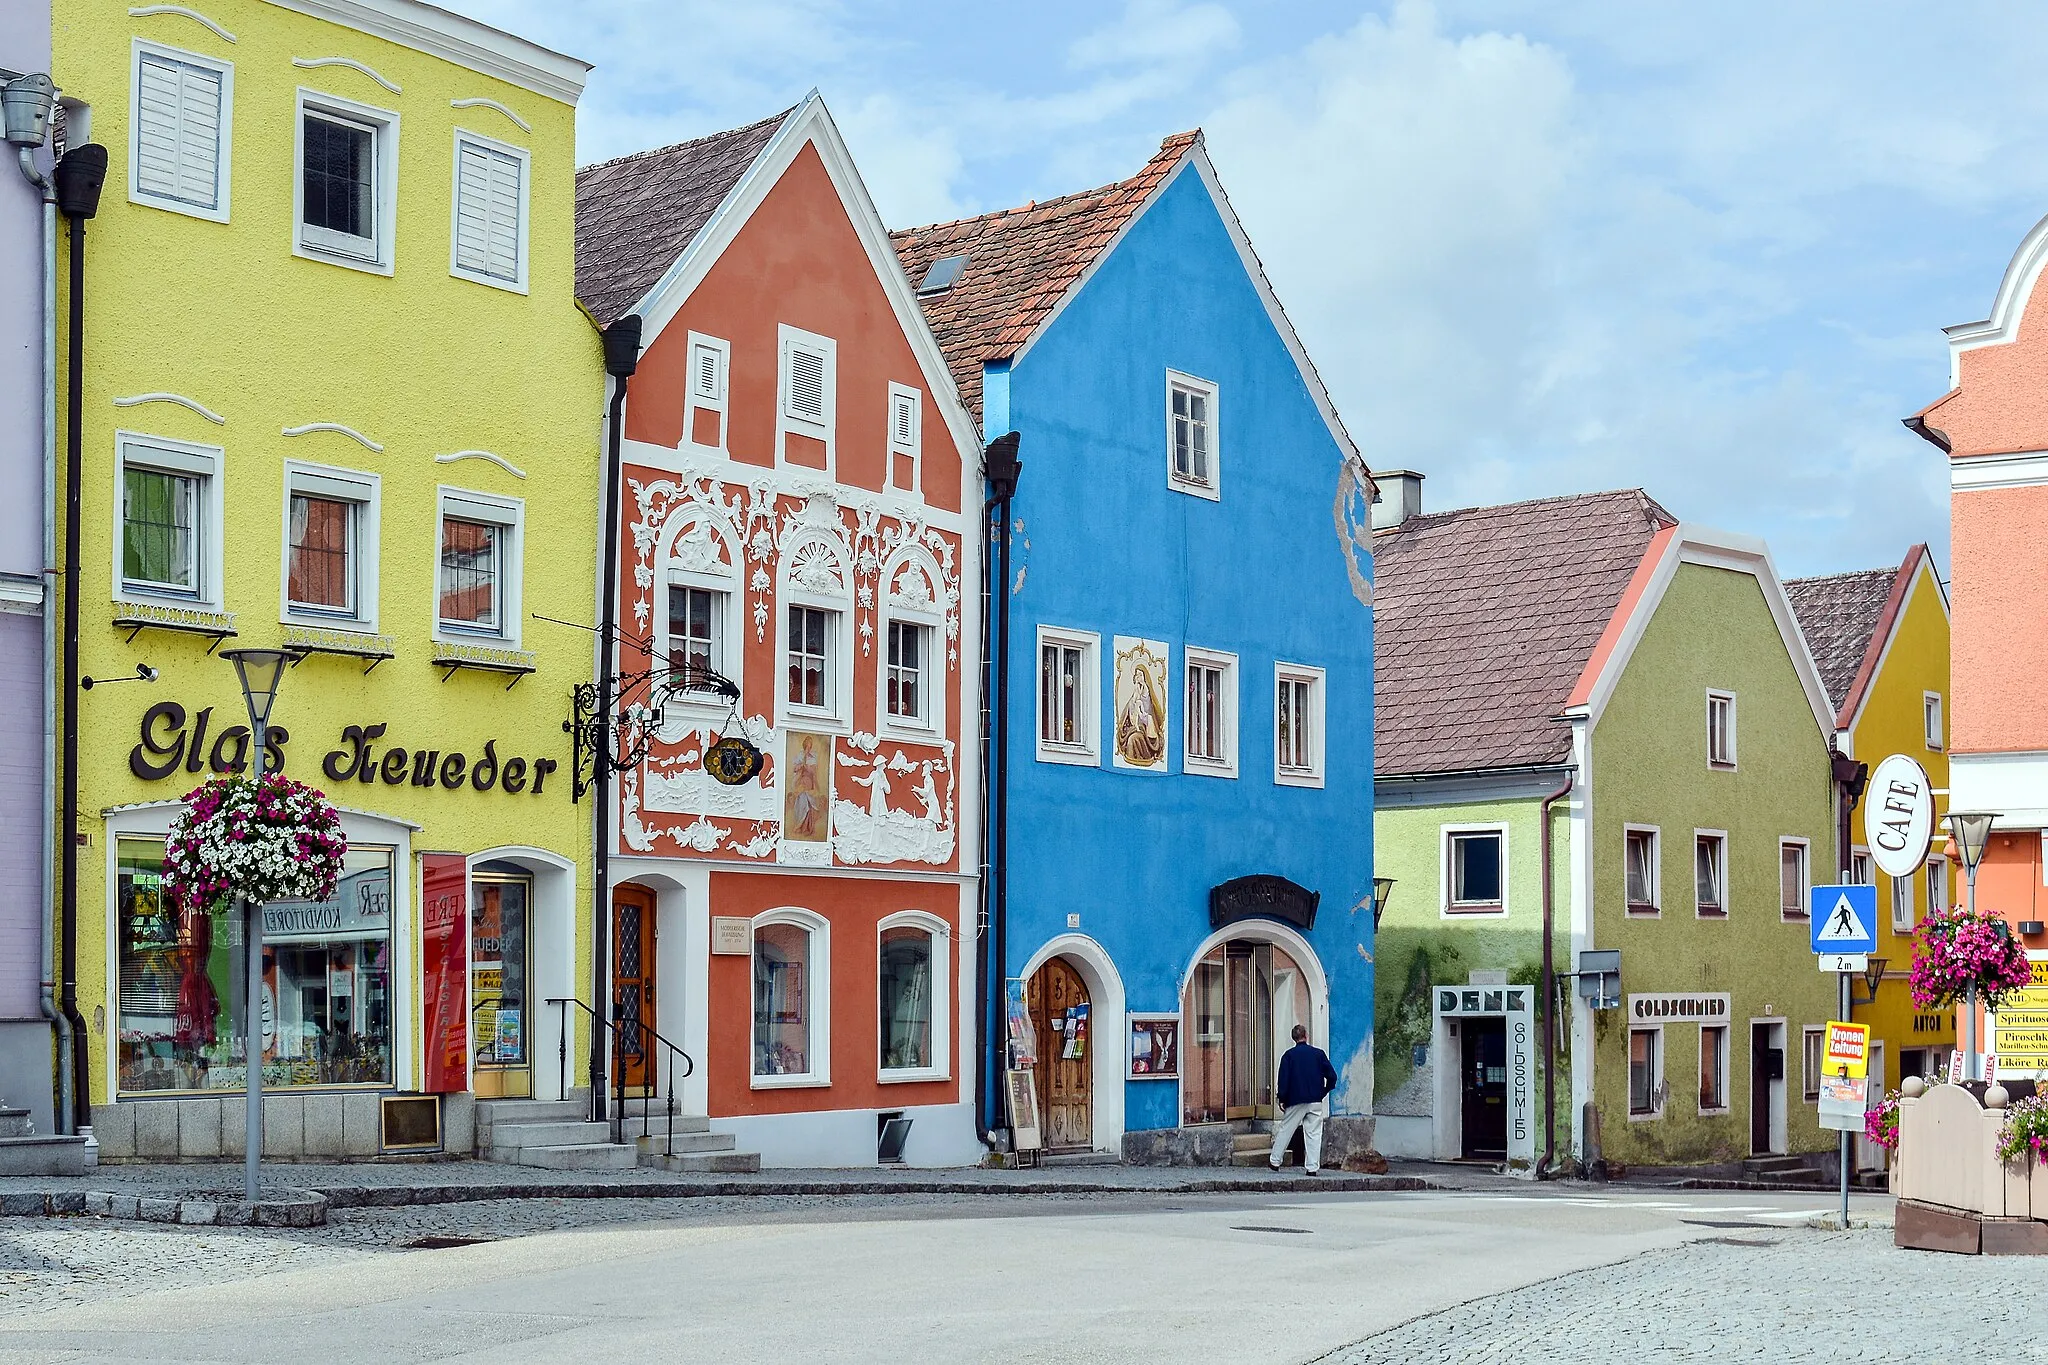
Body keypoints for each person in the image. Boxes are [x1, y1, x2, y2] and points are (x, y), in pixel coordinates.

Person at [1269, 1023, 1338, 1175]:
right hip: (1315, 1099)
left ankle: (1275, 1161)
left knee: (1286, 1129)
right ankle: (1312, 1167)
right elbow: (1332, 1076)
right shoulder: (1318, 1054)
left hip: (1295, 1099)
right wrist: (1324, 1091)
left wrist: (1282, 1097)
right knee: (1313, 1133)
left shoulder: (1288, 1056)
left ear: (1293, 1038)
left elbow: (1283, 1079)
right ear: (1306, 1036)